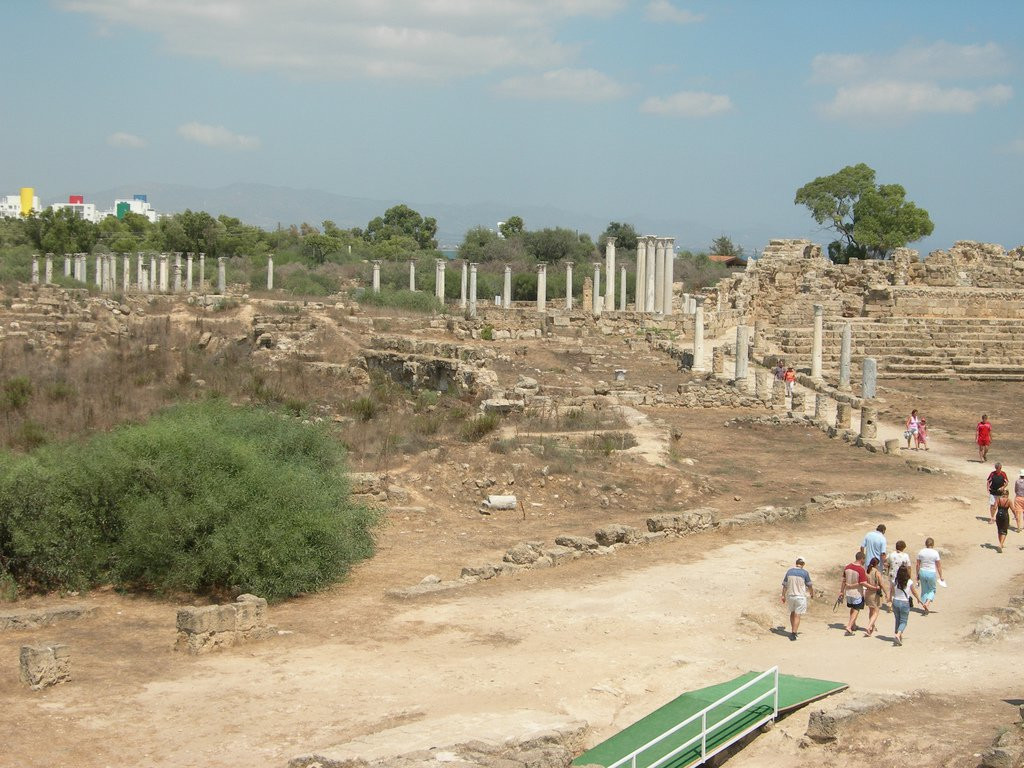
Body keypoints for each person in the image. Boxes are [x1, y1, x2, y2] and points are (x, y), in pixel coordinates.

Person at [781, 556, 813, 640]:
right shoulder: (805, 573)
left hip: (791, 596)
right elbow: (809, 585)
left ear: (796, 563)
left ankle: (793, 630)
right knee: (797, 615)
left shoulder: (789, 571)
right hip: (800, 597)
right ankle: (794, 633)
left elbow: (785, 585)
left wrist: (783, 595)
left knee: (792, 613)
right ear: (803, 564)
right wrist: (811, 593)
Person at [891, 564, 923, 647]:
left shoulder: (895, 580)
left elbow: (891, 590)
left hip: (896, 601)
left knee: (897, 619)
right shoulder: (909, 582)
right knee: (904, 621)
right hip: (904, 602)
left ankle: (898, 636)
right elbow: (914, 592)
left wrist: (889, 600)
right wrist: (918, 599)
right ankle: (898, 635)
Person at [838, 551, 869, 635]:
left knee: (852, 608)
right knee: (856, 609)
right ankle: (849, 626)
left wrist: (841, 591)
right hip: (857, 592)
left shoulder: (847, 567)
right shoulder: (860, 569)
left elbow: (844, 580)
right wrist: (873, 587)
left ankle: (853, 625)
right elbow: (863, 582)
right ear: (862, 559)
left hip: (848, 592)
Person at [915, 538, 943, 613]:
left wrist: (917, 574)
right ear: (933, 544)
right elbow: (938, 565)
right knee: (932, 589)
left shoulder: (921, 552)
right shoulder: (935, 553)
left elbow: (917, 564)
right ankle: (927, 603)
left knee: (924, 590)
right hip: (931, 572)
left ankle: (925, 605)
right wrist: (941, 576)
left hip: (922, 571)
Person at [863, 557, 887, 637]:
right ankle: (869, 626)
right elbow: (882, 584)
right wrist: (886, 593)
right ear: (877, 564)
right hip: (875, 593)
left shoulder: (867, 571)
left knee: (871, 611)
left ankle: (872, 626)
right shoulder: (877, 572)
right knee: (876, 612)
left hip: (868, 592)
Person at [1014, 469, 1024, 534]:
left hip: (1018, 497)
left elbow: (1015, 490)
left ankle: (1018, 527)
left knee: (1018, 513)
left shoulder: (1017, 481)